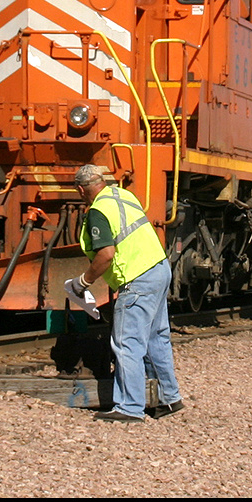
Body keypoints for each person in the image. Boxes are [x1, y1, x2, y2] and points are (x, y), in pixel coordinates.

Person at [68, 164, 183, 422]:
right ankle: (169, 398)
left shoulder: (97, 211)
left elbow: (106, 254)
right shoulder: (123, 195)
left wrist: (83, 282)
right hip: (159, 269)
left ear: (81, 190)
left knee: (127, 343)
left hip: (137, 279)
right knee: (156, 339)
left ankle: (130, 407)